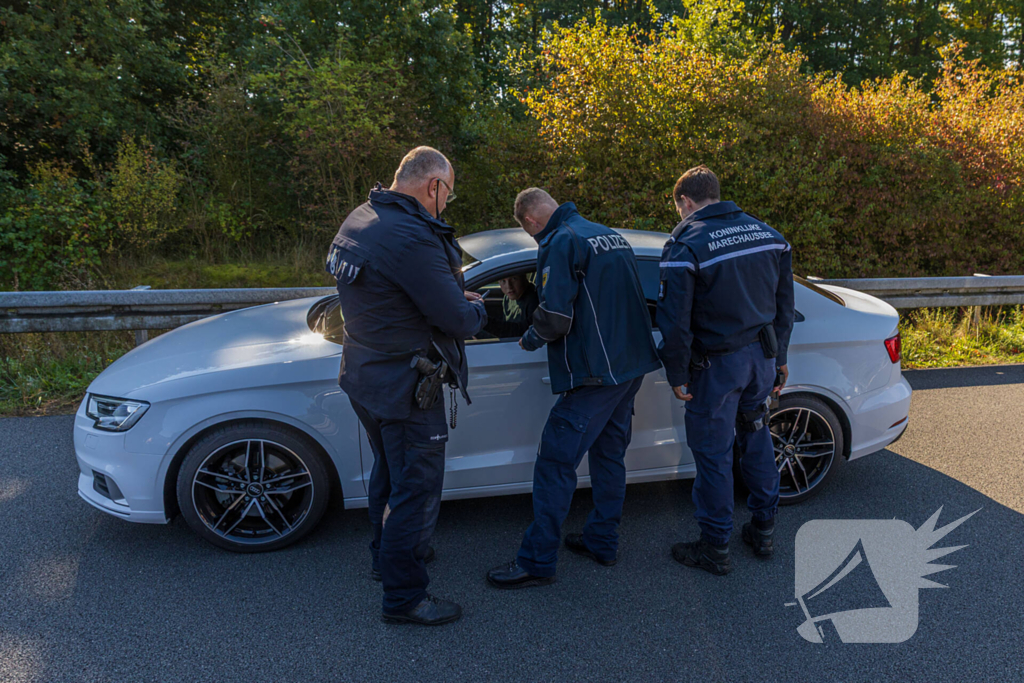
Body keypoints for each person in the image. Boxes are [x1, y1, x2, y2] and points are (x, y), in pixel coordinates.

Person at [325, 146, 487, 624]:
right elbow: (458, 319)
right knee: (415, 491)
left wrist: (447, 291)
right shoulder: (412, 236)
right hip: (406, 387)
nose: (446, 204)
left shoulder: (362, 216)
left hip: (365, 377)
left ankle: (386, 557)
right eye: (448, 196)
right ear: (433, 186)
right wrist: (475, 307)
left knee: (389, 474)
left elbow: (389, 290)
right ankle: (404, 598)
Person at [486, 188, 662, 589]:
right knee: (608, 455)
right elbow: (594, 299)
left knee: (554, 463)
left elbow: (557, 318)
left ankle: (537, 561)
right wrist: (529, 295)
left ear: (531, 222)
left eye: (531, 235)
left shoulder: (560, 241)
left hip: (595, 375)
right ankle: (602, 540)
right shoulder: (607, 234)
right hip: (629, 367)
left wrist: (527, 339)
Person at [656, 165, 795, 575]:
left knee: (714, 454)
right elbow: (784, 305)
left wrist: (676, 373)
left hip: (717, 369)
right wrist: (781, 358)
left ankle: (715, 547)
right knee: (756, 438)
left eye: (678, 207)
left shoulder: (686, 244)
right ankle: (764, 530)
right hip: (761, 361)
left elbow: (674, 321)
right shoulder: (769, 235)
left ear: (685, 201)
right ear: (716, 193)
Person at [486, 273, 540, 339]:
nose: (509, 286)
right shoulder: (507, 297)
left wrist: (483, 322)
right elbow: (507, 326)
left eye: (514, 279)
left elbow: (521, 332)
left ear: (524, 278)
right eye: (503, 281)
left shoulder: (534, 300)